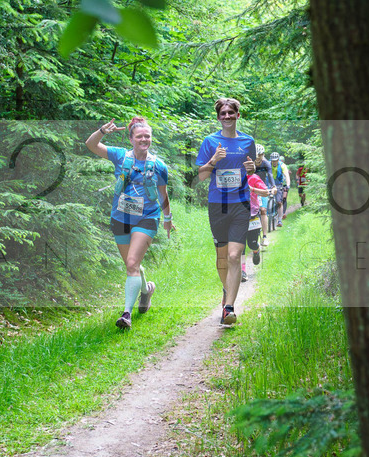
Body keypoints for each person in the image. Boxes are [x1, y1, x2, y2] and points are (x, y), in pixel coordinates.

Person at [86, 117, 174, 329]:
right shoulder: (119, 156)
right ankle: (146, 290)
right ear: (131, 139)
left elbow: (163, 193)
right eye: (139, 136)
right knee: (131, 265)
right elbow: (91, 145)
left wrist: (168, 219)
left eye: (147, 136)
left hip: (147, 218)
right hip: (121, 217)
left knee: (132, 264)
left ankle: (126, 314)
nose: (144, 139)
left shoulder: (159, 166)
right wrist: (102, 131)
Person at [195, 97, 256, 325]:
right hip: (217, 205)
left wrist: (251, 168)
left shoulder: (247, 141)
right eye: (223, 113)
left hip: (241, 203)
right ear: (218, 117)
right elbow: (201, 176)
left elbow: (250, 170)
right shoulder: (210, 141)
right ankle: (227, 289)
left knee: (234, 256)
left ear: (238, 115)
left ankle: (229, 308)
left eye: (231, 113)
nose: (228, 116)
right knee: (222, 257)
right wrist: (213, 160)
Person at [246, 169, 275, 272]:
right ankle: (242, 271)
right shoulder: (234, 178)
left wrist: (251, 189)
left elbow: (266, 192)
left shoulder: (253, 177)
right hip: (237, 216)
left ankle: (256, 250)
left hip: (253, 214)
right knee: (238, 246)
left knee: (252, 244)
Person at [254, 145, 273, 247]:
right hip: (251, 190)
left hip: (262, 188)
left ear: (263, 155)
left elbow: (270, 175)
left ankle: (265, 236)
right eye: (256, 155)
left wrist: (273, 186)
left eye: (260, 155)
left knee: (263, 210)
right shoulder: (249, 163)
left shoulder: (266, 163)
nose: (258, 157)